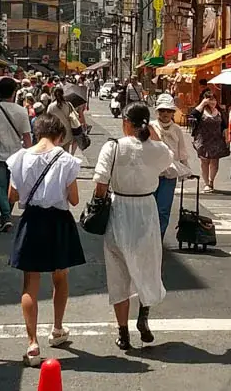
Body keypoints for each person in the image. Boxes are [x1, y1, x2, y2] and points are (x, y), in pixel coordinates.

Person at [6, 115, 86, 367]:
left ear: (37, 132)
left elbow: (12, 196)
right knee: (60, 277)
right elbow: (73, 199)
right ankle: (58, 329)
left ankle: (32, 344)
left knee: (30, 282)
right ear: (60, 135)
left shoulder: (19, 158)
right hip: (58, 222)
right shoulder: (66, 160)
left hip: (32, 220)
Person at [93, 102, 173, 351]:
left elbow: (100, 185)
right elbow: (165, 157)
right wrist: (153, 133)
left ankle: (123, 332)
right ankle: (144, 316)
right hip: (146, 210)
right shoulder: (158, 150)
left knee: (118, 270)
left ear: (125, 122)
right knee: (147, 265)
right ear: (147, 123)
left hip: (120, 210)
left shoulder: (113, 147)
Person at [0, 78, 33, 232]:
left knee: (0, 187)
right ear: (14, 92)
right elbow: (27, 137)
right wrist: (28, 154)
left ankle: (6, 217)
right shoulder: (21, 111)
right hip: (16, 156)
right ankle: (7, 214)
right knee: (13, 186)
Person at [152, 94, 193, 238]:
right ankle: (147, 238)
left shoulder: (176, 129)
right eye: (162, 110)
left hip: (169, 173)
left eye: (168, 111)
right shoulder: (151, 127)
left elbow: (182, 151)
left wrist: (185, 169)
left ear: (172, 113)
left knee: (163, 208)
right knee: (149, 209)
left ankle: (159, 238)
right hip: (151, 174)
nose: (165, 114)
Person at [191, 90, 228, 193]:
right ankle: (206, 183)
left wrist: (227, 139)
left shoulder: (220, 112)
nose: (212, 102)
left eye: (214, 99)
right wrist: (202, 103)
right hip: (203, 140)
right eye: (209, 99)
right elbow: (192, 115)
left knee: (215, 162)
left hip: (217, 140)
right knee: (204, 162)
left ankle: (211, 181)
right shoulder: (201, 111)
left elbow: (224, 127)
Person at [46, 86, 76, 152]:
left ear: (54, 94)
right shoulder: (68, 105)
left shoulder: (51, 106)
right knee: (66, 151)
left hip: (56, 131)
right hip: (67, 130)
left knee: (55, 152)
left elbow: (47, 118)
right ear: (63, 94)